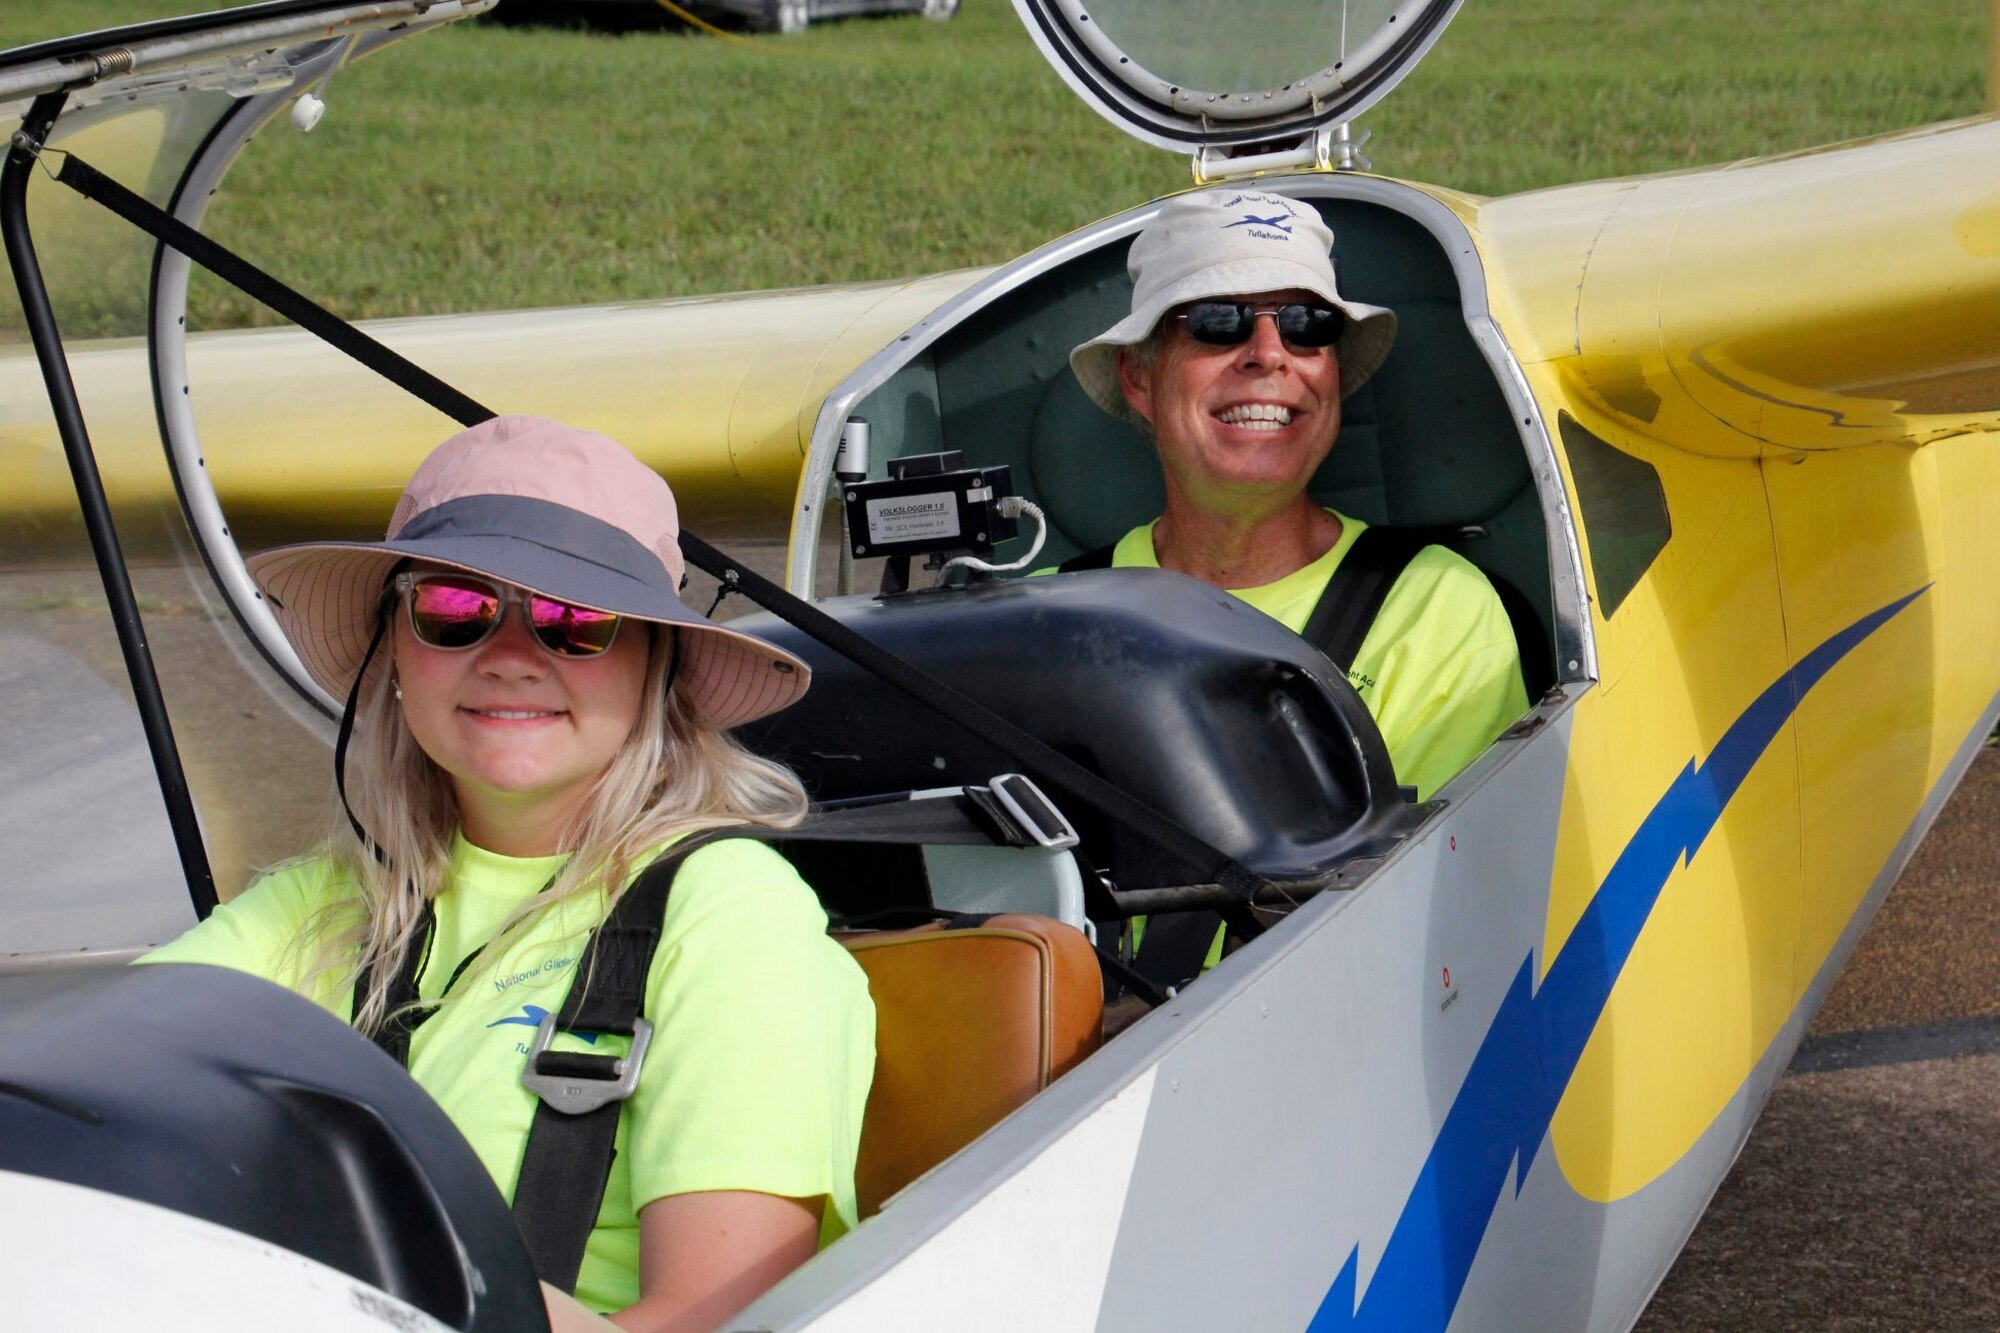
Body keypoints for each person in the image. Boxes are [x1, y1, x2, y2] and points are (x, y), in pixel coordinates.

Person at [142, 415, 874, 1333]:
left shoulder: (732, 916)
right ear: (393, 652)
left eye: (576, 621)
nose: (512, 658)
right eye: (456, 609)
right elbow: (91, 1085)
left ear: (656, 666)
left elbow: (715, 1321)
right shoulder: (324, 903)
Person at [1066, 189, 1528, 801]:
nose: (1269, 355)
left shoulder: (1435, 610)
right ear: (1139, 378)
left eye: (1307, 325)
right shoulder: (1047, 614)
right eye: (1217, 321)